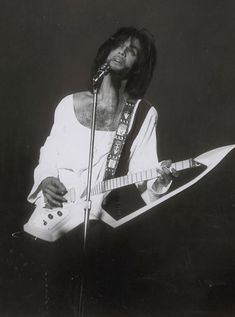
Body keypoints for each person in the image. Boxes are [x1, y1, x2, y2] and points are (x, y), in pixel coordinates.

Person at [27, 26, 176, 316]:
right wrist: (45, 179)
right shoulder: (68, 104)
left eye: (132, 51)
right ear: (107, 51)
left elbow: (145, 173)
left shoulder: (143, 114)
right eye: (119, 45)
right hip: (55, 218)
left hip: (101, 231)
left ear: (138, 67)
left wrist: (161, 178)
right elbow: (50, 152)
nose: (122, 51)